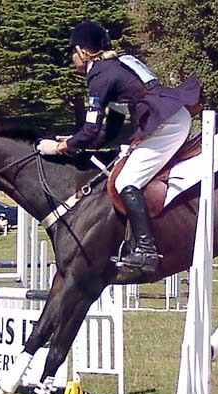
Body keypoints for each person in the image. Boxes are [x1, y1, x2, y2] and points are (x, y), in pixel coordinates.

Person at [36, 19, 202, 275]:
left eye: (72, 52)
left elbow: (91, 131)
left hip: (167, 124)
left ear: (82, 51)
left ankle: (146, 250)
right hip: (168, 118)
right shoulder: (117, 65)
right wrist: (76, 142)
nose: (71, 58)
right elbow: (110, 131)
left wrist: (60, 147)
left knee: (126, 181)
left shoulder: (99, 75)